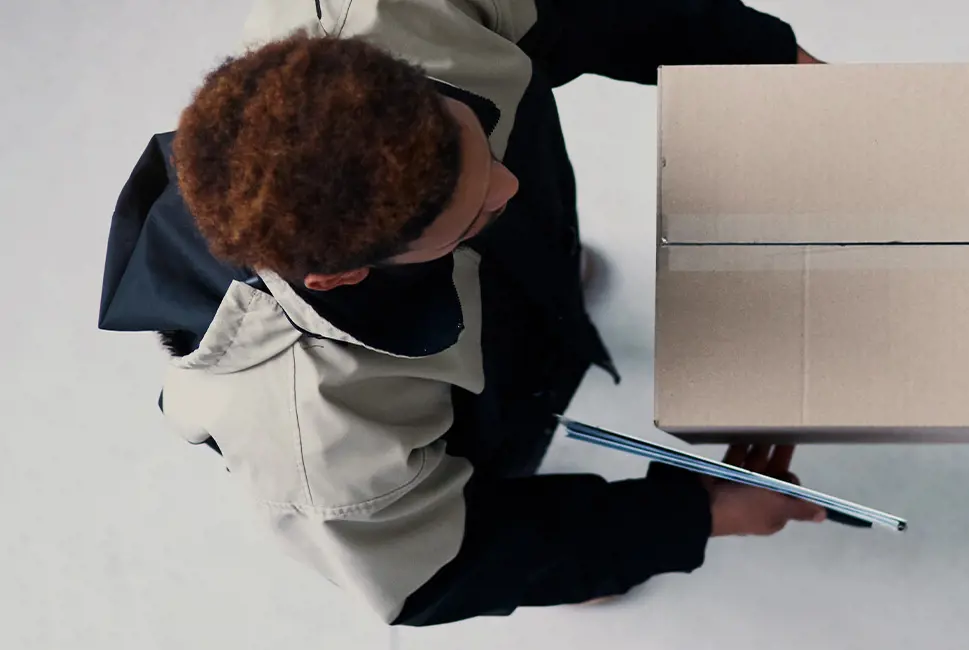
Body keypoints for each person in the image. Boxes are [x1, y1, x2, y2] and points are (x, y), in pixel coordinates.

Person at [96, 0, 828, 626]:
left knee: (534, 249)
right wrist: (692, 518)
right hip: (470, 417)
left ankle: (544, 282)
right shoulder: (318, 436)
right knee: (518, 479)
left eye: (479, 143)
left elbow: (575, 7)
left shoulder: (399, 12)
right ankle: (595, 566)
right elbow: (443, 565)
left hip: (486, 265)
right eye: (472, 214)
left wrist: (763, 58)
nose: (506, 182)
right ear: (343, 274)